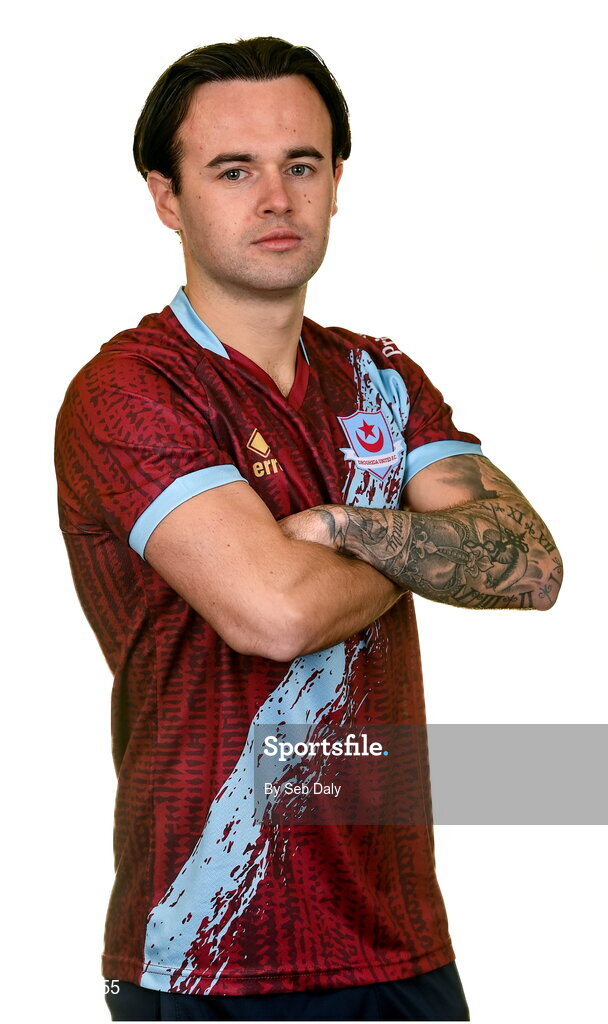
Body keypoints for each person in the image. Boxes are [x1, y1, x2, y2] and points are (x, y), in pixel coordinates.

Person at [54, 36, 562, 1022]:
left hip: (398, 935)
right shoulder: (131, 388)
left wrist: (334, 524)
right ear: (166, 197)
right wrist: (425, 550)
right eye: (232, 170)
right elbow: (275, 615)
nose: (275, 197)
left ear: (335, 180)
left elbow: (533, 565)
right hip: (214, 950)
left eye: (301, 165)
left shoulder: (379, 375)